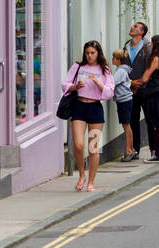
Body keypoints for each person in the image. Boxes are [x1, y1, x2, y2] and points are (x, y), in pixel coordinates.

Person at [63, 41, 115, 192]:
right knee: (78, 145)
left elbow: (109, 91)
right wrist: (75, 86)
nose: (89, 56)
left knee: (93, 148)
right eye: (87, 53)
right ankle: (81, 175)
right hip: (79, 107)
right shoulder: (78, 67)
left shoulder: (104, 69)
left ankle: (91, 182)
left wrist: (98, 82)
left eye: (92, 53)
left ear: (98, 53)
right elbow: (65, 84)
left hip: (95, 109)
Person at [132, 33, 159, 161]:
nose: (150, 44)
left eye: (151, 42)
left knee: (157, 125)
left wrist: (132, 82)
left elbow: (145, 77)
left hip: (155, 95)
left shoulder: (156, 58)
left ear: (156, 45)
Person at [124, 22, 151, 160]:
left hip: (145, 89)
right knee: (132, 119)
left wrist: (140, 82)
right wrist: (130, 83)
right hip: (129, 89)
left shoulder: (148, 46)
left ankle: (154, 150)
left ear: (142, 32)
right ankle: (135, 149)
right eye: (132, 25)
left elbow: (150, 67)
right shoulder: (126, 46)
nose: (132, 27)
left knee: (149, 118)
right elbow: (123, 67)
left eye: (136, 26)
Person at [111, 49, 136, 161]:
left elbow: (111, 83)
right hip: (126, 100)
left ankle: (129, 151)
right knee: (127, 125)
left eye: (113, 58)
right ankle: (131, 149)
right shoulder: (122, 70)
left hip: (124, 101)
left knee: (126, 126)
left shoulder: (120, 72)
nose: (112, 59)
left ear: (118, 60)